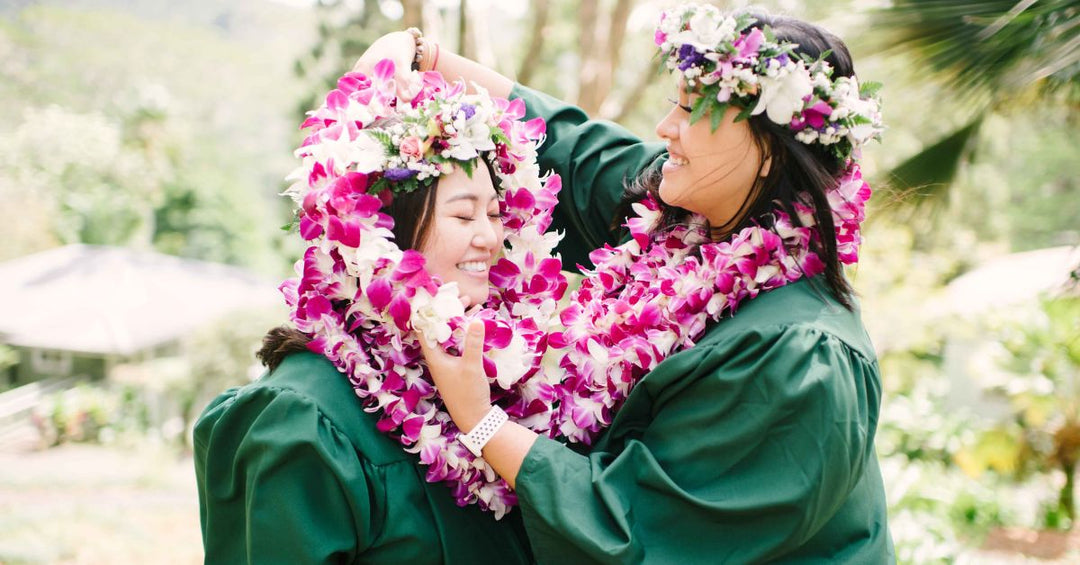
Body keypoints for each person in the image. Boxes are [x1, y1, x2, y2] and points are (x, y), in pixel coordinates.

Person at [360, 4, 895, 563]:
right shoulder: (686, 213)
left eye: (691, 111)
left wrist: (480, 420)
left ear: (767, 152)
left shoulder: (802, 358)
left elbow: (640, 533)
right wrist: (421, 58)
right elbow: (568, 149)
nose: (667, 129)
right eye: (674, 105)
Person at [192, 64, 560, 564]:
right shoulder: (301, 418)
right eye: (463, 214)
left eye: (494, 213)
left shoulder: (482, 388)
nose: (490, 238)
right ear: (389, 235)